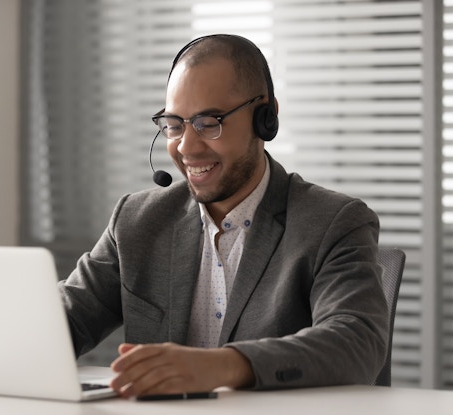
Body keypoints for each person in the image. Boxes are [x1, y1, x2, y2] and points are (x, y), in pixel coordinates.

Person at [58, 34, 388, 398]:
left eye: (208, 122)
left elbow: (357, 340)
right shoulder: (137, 221)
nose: (186, 146)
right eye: (174, 124)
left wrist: (223, 365)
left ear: (265, 118)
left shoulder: (333, 221)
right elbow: (65, 319)